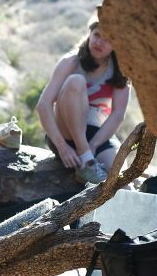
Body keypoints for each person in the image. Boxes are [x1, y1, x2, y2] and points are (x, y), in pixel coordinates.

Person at [36, 13, 131, 184]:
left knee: (122, 182)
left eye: (108, 39)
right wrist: (62, 147)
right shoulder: (71, 61)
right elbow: (43, 105)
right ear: (89, 34)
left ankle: (87, 161)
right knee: (75, 81)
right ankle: (85, 158)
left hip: (97, 137)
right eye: (96, 35)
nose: (99, 42)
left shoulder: (119, 71)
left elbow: (118, 114)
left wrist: (94, 145)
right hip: (65, 134)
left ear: (117, 45)